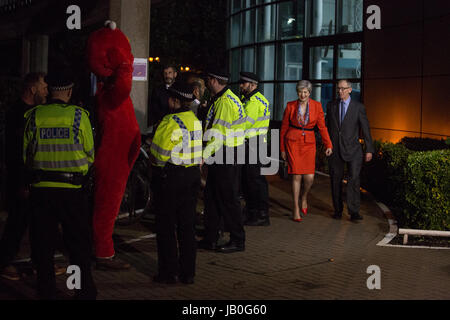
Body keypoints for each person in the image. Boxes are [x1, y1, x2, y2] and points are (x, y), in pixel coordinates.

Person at [23, 73, 97, 299]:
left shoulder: (34, 116)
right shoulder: (79, 116)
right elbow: (90, 154)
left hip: (41, 191)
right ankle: (80, 290)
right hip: (72, 192)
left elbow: (26, 155)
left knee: (43, 246)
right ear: (69, 91)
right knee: (77, 246)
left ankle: (46, 291)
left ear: (50, 90)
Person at [0, 73, 67, 281]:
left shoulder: (34, 112)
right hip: (22, 179)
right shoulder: (18, 114)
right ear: (32, 90)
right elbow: (15, 152)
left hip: (34, 179)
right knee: (17, 223)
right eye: (43, 87)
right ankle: (4, 262)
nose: (47, 92)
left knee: (38, 224)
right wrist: (22, 182)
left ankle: (40, 263)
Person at [150, 81, 202, 284]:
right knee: (187, 227)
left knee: (166, 227)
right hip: (192, 177)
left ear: (175, 100)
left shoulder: (169, 121)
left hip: (172, 178)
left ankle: (168, 273)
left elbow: (158, 155)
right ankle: (188, 273)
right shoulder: (195, 120)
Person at [198, 70, 247, 253]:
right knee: (211, 197)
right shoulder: (224, 98)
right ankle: (211, 237)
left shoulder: (224, 102)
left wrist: (203, 156)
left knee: (228, 199)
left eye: (207, 80)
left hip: (226, 153)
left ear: (213, 80)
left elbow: (218, 135)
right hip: (226, 153)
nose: (206, 84)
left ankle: (237, 240)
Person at [280, 80, 333, 222]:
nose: (302, 94)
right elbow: (284, 128)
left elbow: (322, 127)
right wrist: (282, 148)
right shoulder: (290, 106)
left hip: (309, 143)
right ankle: (296, 208)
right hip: (293, 143)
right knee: (296, 176)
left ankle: (304, 197)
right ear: (297, 92)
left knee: (309, 178)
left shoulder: (317, 106)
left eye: (305, 92)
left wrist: (328, 144)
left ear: (309, 93)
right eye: (300, 92)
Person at [325, 80, 374, 221]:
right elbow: (327, 127)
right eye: (338, 89)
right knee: (335, 180)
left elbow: (365, 129)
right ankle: (338, 210)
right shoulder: (331, 105)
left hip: (353, 151)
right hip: (335, 150)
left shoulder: (358, 107)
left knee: (354, 180)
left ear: (350, 90)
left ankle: (354, 212)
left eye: (343, 89)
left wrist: (369, 149)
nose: (340, 91)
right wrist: (327, 145)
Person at [238, 72, 271, 226]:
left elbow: (243, 125)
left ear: (252, 85)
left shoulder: (252, 102)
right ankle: (256, 212)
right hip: (257, 143)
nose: (241, 85)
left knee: (253, 181)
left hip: (253, 144)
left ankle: (259, 214)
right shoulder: (257, 99)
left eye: (244, 83)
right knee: (254, 180)